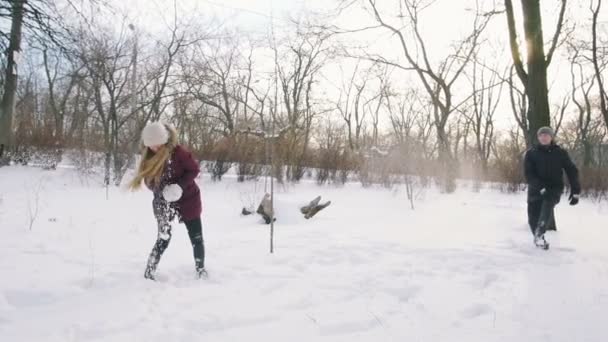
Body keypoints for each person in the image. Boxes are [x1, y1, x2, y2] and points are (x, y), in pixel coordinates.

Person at [129, 122, 206, 280]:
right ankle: (149, 272)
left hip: (189, 199)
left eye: (158, 144)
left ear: (164, 140)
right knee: (163, 238)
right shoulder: (148, 156)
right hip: (163, 202)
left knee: (196, 237)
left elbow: (194, 170)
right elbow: (148, 181)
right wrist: (160, 191)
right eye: (151, 145)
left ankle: (201, 269)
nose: (155, 148)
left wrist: (179, 186)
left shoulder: (178, 153)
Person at [524, 126, 581, 249]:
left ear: (551, 137)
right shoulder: (531, 153)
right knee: (532, 218)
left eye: (546, 135)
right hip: (535, 188)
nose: (544, 137)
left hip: (553, 188)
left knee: (547, 207)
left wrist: (575, 190)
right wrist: (540, 188)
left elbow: (571, 170)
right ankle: (539, 239)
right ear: (538, 137)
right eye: (541, 135)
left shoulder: (560, 153)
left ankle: (539, 234)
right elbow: (529, 174)